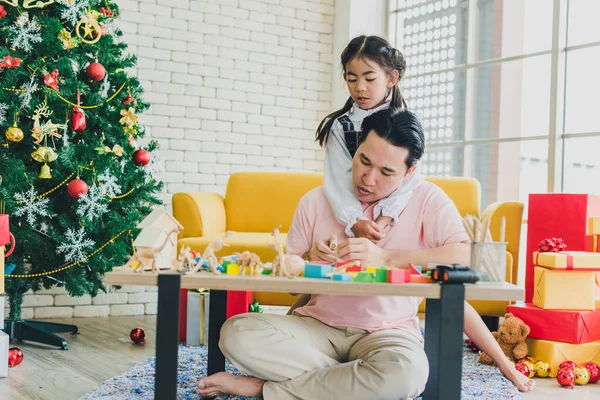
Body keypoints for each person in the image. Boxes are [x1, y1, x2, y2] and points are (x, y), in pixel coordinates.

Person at [197, 109, 536, 399]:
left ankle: (265, 390)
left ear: (409, 173)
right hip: (317, 327)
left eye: (387, 172)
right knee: (236, 333)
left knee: (407, 372)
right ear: (355, 150)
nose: (368, 179)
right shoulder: (316, 201)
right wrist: (310, 263)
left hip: (388, 333)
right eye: (364, 161)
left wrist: (388, 258)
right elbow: (290, 286)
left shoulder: (428, 200)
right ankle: (352, 383)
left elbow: (466, 256)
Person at [316, 35, 424, 243]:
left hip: (396, 217)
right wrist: (355, 221)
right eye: (352, 78)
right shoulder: (341, 126)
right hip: (348, 219)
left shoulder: (407, 125)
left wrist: (383, 220)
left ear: (392, 78)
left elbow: (411, 180)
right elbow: (337, 181)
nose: (360, 88)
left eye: (369, 78)